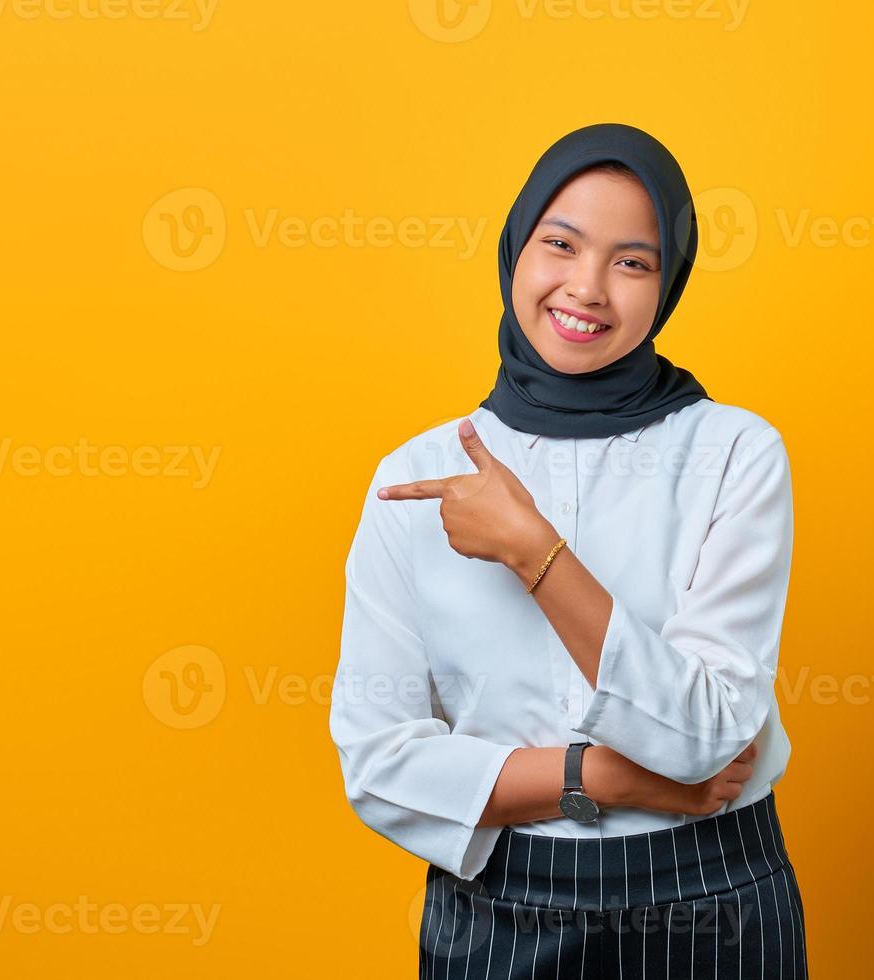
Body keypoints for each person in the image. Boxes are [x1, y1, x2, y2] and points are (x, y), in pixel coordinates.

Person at [328, 123, 808, 978]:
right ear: (516, 247)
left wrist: (531, 549)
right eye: (560, 244)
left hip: (716, 898)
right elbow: (378, 762)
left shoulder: (734, 452)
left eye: (632, 261)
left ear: (669, 283)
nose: (585, 288)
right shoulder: (414, 476)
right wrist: (603, 779)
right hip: (497, 912)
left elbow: (707, 736)